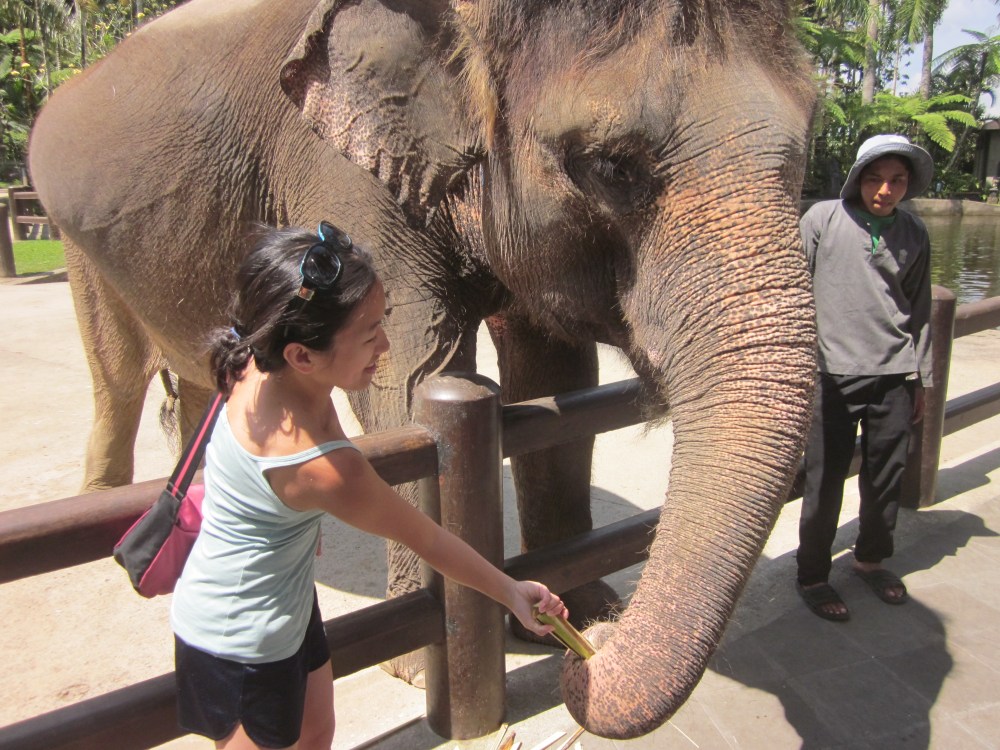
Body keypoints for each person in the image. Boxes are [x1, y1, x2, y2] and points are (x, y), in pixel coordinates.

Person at [170, 222, 567, 749]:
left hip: (285, 604)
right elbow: (427, 538)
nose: (385, 344)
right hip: (240, 636)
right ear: (302, 356)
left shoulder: (256, 356)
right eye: (369, 334)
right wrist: (511, 593)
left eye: (382, 323)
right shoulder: (323, 468)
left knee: (317, 733)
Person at [795, 134, 934, 622]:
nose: (885, 190)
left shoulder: (914, 232)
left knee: (885, 479)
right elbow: (793, 292)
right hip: (830, 373)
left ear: (908, 185)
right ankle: (812, 574)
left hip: (894, 372)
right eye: (875, 178)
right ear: (858, 178)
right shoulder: (822, 219)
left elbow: (919, 308)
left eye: (897, 180)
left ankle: (870, 559)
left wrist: (921, 378)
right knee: (823, 480)